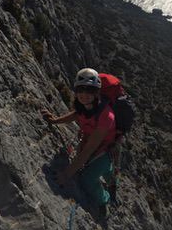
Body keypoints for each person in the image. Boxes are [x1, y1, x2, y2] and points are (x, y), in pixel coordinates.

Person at [41, 68, 116, 217]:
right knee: (103, 168)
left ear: (97, 92)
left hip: (105, 150)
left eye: (90, 90)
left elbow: (88, 151)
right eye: (81, 89)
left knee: (87, 179)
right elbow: (76, 115)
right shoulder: (84, 107)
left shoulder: (106, 116)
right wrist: (55, 120)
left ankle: (105, 199)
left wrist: (66, 174)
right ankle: (111, 180)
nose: (85, 94)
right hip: (93, 145)